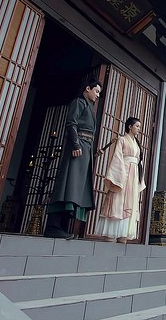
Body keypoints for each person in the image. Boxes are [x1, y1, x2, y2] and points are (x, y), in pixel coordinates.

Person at [44, 78, 102, 240]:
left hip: (85, 149)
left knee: (76, 189)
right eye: (96, 91)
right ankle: (53, 227)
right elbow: (71, 124)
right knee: (68, 185)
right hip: (78, 147)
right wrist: (76, 145)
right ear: (88, 88)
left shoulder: (88, 106)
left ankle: (63, 227)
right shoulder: (78, 102)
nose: (97, 95)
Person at [98, 117, 146, 242]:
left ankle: (123, 233)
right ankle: (112, 233)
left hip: (133, 175)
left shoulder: (137, 143)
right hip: (123, 172)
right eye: (137, 126)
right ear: (130, 127)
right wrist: (119, 175)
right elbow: (117, 157)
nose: (139, 129)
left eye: (139, 127)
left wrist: (140, 177)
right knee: (118, 199)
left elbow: (139, 161)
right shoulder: (122, 140)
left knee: (130, 201)